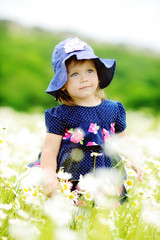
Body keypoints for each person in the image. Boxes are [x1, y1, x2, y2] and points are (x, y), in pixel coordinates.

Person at [28, 37, 144, 202]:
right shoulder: (60, 114)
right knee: (74, 220)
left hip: (106, 174)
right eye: (75, 74)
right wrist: (49, 177)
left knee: (103, 218)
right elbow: (49, 150)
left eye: (89, 71)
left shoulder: (113, 109)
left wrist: (135, 160)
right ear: (62, 83)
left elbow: (122, 138)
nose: (84, 78)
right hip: (72, 178)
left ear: (98, 74)